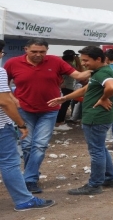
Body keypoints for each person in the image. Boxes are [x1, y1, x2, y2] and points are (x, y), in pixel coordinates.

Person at [4, 38, 91, 194]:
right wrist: (13, 98)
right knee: (27, 145)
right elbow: (4, 84)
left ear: (47, 50)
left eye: (42, 52)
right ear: (26, 49)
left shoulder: (55, 62)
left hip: (49, 110)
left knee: (40, 145)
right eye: (34, 51)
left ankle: (29, 179)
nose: (38, 55)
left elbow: (78, 75)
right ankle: (32, 174)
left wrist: (98, 68)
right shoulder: (12, 63)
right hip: (24, 110)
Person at [48, 46, 113, 195]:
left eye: (86, 60)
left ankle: (94, 184)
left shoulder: (103, 73)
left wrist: (103, 98)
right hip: (99, 116)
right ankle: (109, 178)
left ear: (98, 59)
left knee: (96, 151)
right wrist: (65, 98)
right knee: (100, 148)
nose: (84, 64)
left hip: (96, 117)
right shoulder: (98, 72)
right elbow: (87, 88)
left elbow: (112, 87)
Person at [0, 40, 56, 211]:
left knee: (36, 146)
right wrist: (21, 124)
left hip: (44, 109)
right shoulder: (1, 71)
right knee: (10, 162)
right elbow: (4, 102)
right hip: (1, 126)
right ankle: (24, 200)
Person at [54, 50, 83, 131]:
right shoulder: (68, 64)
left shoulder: (63, 63)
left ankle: (59, 121)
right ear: (72, 56)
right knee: (64, 105)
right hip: (66, 87)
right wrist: (78, 61)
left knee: (63, 105)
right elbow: (80, 72)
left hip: (66, 86)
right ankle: (59, 122)